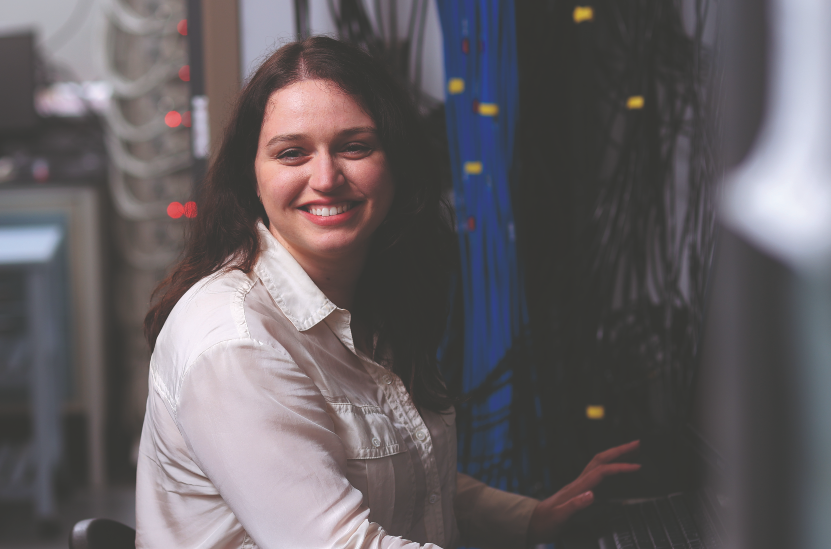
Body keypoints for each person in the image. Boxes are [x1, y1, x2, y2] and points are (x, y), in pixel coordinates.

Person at [135, 36, 638, 548]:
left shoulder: (366, 299)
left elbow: (402, 480)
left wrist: (531, 519)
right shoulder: (237, 344)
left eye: (355, 146)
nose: (326, 177)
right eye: (292, 153)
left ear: (395, 163)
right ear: (252, 177)